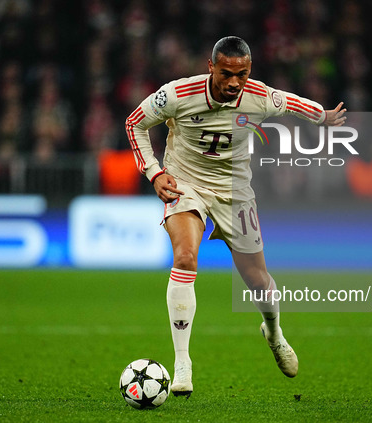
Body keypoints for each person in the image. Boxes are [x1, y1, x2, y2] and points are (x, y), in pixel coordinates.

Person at [125, 36, 347, 398]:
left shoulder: (257, 96)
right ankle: (182, 361)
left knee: (258, 281)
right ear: (210, 66)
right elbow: (135, 122)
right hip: (185, 183)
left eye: (241, 74)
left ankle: (273, 333)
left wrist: (323, 117)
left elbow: (291, 103)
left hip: (236, 193)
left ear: (249, 71)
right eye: (226, 73)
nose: (233, 82)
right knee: (185, 257)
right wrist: (154, 172)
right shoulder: (178, 94)